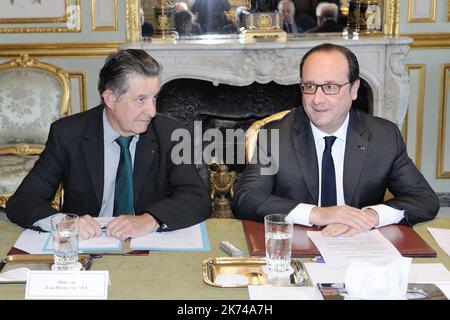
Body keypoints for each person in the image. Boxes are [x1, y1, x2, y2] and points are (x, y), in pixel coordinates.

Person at [232, 43, 439, 237]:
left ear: (354, 89)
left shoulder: (383, 136)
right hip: (297, 246)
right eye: (310, 86)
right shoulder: (275, 136)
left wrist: (370, 217)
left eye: (330, 87)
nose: (317, 99)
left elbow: (424, 199)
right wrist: (319, 214)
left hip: (360, 248)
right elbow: (245, 198)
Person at [6, 49, 211, 240]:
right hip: (88, 246)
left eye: (154, 98)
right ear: (111, 99)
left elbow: (197, 198)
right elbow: (23, 201)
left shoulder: (171, 133)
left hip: (148, 244)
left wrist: (150, 219)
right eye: (141, 99)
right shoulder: (68, 134)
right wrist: (65, 222)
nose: (152, 111)